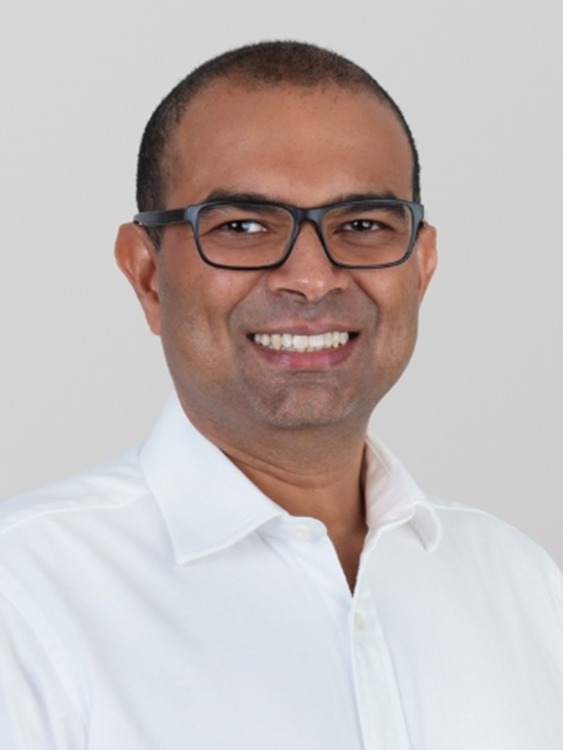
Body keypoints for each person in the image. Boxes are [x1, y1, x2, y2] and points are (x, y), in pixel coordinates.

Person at [0, 41, 562, 750]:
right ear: (147, 275)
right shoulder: (24, 599)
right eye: (242, 226)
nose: (312, 278)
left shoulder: (522, 585)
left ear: (421, 269)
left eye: (362, 225)